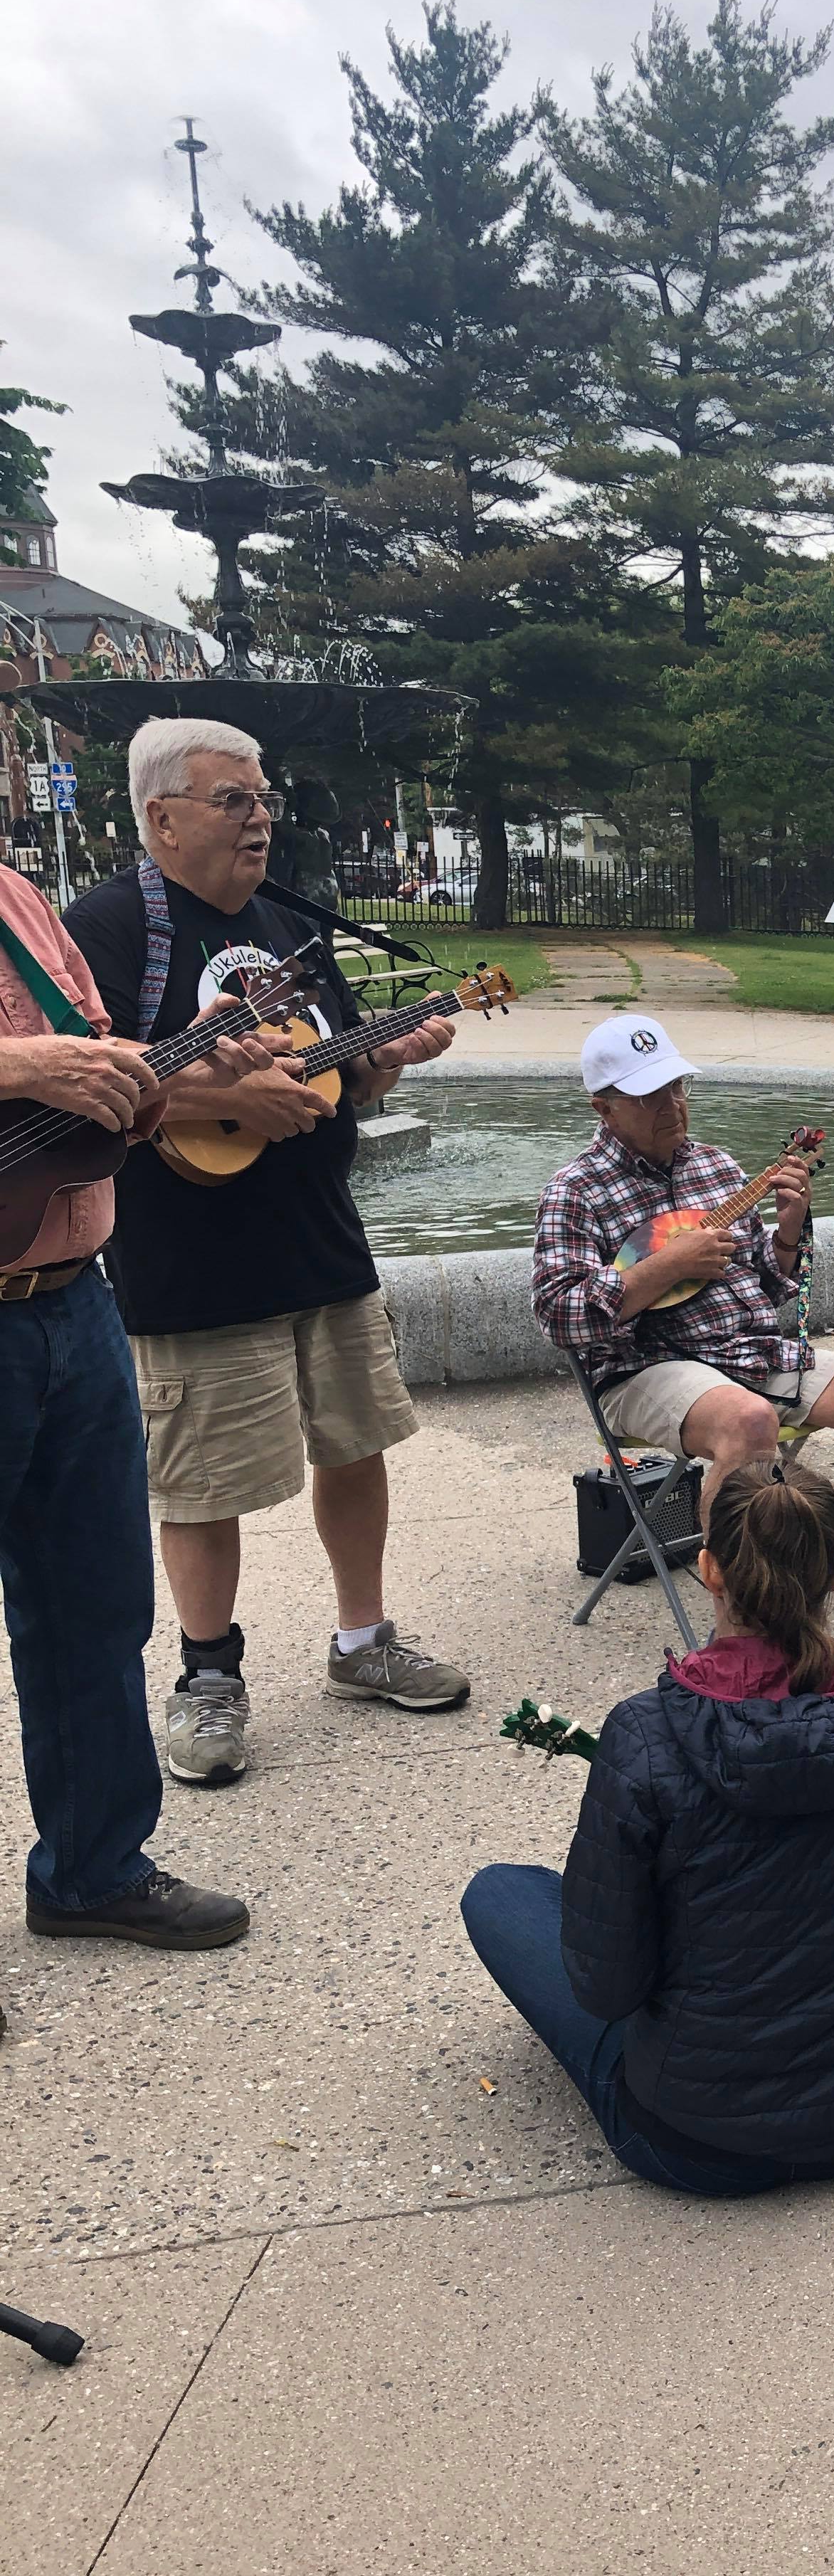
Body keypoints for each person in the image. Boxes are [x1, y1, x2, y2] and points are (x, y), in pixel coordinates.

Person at [65, 719, 469, 1790]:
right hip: (186, 1250)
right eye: (233, 801)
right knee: (202, 1480)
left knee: (355, 1442)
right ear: (162, 818)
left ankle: (362, 1640)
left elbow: (336, 1079)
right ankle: (207, 1676)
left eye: (263, 800)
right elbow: (92, 1078)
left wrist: (385, 1060)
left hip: (320, 1232)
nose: (260, 820)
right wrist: (215, 1092)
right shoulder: (106, 925)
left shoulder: (296, 928)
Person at [460, 1457, 834, 2193]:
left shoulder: (642, 1736)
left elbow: (607, 1986)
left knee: (497, 1893)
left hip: (693, 2142)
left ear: (709, 1570)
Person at [532, 1015, 834, 1639]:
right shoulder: (575, 1191)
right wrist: (657, 1272)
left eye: (676, 1088)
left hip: (749, 1354)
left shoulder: (719, 1169)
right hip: (643, 1370)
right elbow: (558, 1316)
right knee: (748, 1421)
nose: (670, 1106)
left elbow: (773, 1286)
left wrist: (787, 1232)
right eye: (647, 1096)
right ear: (604, 1108)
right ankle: (739, 1630)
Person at [0, 856, 251, 1949]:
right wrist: (23, 1064)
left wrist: (167, 1080)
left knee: (95, 1604)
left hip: (71, 1299)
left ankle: (93, 1868)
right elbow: (44, 1065)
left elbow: (99, 1062)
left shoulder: (14, 891)